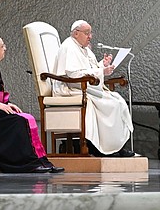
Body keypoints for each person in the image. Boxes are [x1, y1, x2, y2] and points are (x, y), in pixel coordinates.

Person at [0, 34, 64, 173]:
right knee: (17, 122)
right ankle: (25, 163)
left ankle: (41, 162)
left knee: (24, 118)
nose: (5, 48)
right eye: (2, 46)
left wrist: (7, 103)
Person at [52, 20, 135, 157]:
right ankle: (99, 148)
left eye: (90, 33)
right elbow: (73, 74)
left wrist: (103, 66)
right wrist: (102, 71)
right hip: (70, 88)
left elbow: (90, 69)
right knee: (109, 104)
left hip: (83, 87)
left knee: (118, 101)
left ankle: (115, 147)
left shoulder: (84, 49)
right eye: (86, 33)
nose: (90, 36)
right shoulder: (68, 47)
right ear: (76, 33)